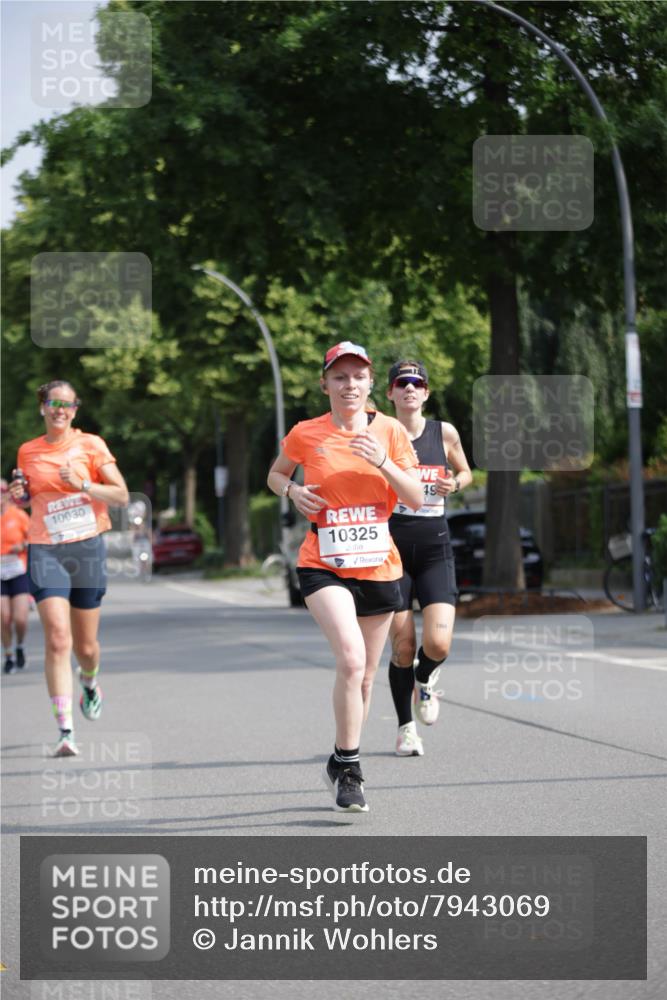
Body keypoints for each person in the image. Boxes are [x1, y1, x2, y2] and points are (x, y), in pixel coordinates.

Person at [267, 342, 423, 816]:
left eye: (358, 376)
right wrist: (293, 490)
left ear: (371, 383)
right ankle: (352, 770)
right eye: (339, 377)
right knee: (351, 661)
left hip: (379, 565)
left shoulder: (391, 431)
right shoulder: (306, 433)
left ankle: (338, 757)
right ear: (325, 384)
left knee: (367, 677)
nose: (349, 385)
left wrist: (383, 461)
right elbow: (275, 474)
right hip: (323, 562)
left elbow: (415, 497)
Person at [9, 380, 129, 757]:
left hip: (87, 548)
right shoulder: (27, 451)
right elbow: (29, 496)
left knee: (87, 647)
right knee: (58, 639)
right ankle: (65, 730)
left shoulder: (91, 445)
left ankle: (90, 682)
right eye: (52, 402)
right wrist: (21, 496)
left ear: (75, 409)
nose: (60, 409)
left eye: (67, 403)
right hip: (46, 548)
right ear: (42, 407)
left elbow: (122, 495)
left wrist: (84, 484)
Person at [386, 360, 472, 757]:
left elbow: (466, 473)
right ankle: (406, 729)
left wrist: (453, 482)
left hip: (436, 548)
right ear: (390, 393)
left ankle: (426, 678)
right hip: (392, 551)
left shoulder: (444, 432)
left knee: (438, 643)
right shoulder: (378, 433)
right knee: (403, 647)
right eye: (401, 383)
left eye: (416, 382)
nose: (409, 388)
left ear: (426, 392)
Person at [1, 479, 31, 673]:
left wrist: (21, 546)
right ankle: (9, 655)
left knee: (20, 618)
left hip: (18, 571)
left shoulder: (18, 515)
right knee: (3, 617)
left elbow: (32, 538)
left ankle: (19, 645)